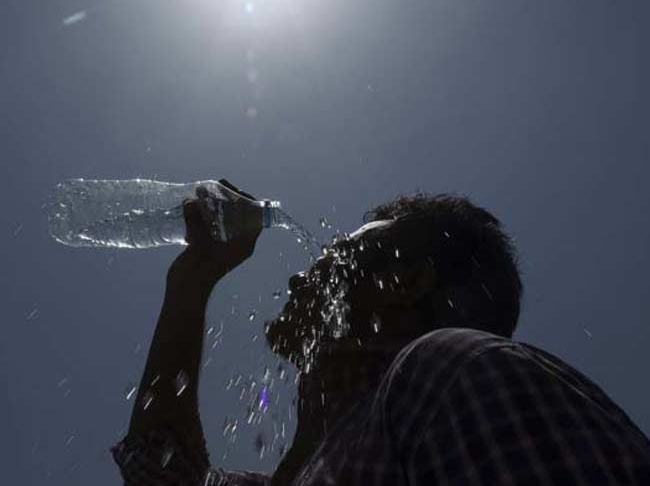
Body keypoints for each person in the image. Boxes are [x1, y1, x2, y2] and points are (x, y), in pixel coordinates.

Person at [112, 183, 650, 485]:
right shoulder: (304, 471)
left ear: (405, 283)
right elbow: (160, 471)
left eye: (338, 256)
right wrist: (193, 279)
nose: (300, 278)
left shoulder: (451, 373)